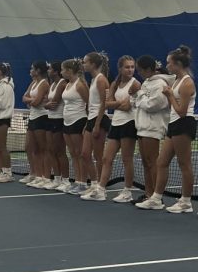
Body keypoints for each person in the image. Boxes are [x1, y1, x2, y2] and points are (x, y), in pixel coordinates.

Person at [86, 55, 140, 201]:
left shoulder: (136, 84)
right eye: (127, 67)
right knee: (106, 158)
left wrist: (115, 103)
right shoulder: (115, 83)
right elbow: (107, 104)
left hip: (129, 124)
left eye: (132, 67)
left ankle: (127, 191)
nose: (130, 70)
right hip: (115, 123)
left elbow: (127, 105)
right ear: (120, 68)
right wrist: (118, 103)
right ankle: (101, 190)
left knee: (126, 159)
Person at [154, 45, 197, 214]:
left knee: (184, 163)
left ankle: (186, 201)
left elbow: (182, 111)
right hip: (173, 124)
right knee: (161, 162)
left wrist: (170, 95)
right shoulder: (176, 80)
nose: (168, 66)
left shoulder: (187, 83)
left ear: (178, 64)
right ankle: (156, 198)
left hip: (183, 123)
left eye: (169, 63)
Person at [133, 55, 172, 209]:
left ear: (149, 69)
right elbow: (140, 103)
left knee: (152, 162)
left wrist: (139, 95)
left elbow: (153, 105)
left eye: (140, 70)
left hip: (153, 128)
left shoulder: (160, 84)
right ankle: (149, 194)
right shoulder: (146, 82)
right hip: (142, 127)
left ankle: (157, 197)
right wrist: (139, 96)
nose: (139, 73)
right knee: (145, 163)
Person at [79, 52, 109, 194]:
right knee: (85, 154)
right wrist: (88, 124)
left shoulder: (101, 80)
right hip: (91, 119)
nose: (83, 65)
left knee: (98, 155)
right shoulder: (93, 80)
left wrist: (97, 124)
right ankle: (94, 182)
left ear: (93, 64)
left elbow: (104, 103)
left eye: (85, 62)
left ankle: (100, 187)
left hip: (100, 120)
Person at [60, 59, 89, 194]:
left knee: (80, 154)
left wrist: (88, 123)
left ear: (69, 71)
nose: (61, 72)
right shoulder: (67, 84)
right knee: (73, 154)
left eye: (63, 70)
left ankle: (83, 183)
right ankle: (77, 181)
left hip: (78, 120)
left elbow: (89, 103)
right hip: (67, 121)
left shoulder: (80, 85)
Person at [21, 62, 51, 188]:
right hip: (33, 117)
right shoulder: (33, 82)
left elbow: (37, 102)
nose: (30, 70)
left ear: (38, 70)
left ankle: (45, 176)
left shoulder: (44, 83)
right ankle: (37, 175)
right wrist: (31, 101)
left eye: (32, 68)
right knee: (30, 147)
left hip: (42, 117)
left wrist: (32, 101)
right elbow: (24, 97)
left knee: (42, 148)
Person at [42, 61, 70, 191]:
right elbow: (47, 103)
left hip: (59, 120)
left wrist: (46, 104)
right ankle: (57, 179)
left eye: (50, 69)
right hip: (50, 119)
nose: (48, 71)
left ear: (56, 71)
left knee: (60, 152)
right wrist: (46, 104)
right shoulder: (52, 84)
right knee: (51, 150)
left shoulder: (62, 83)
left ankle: (65, 180)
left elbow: (53, 103)